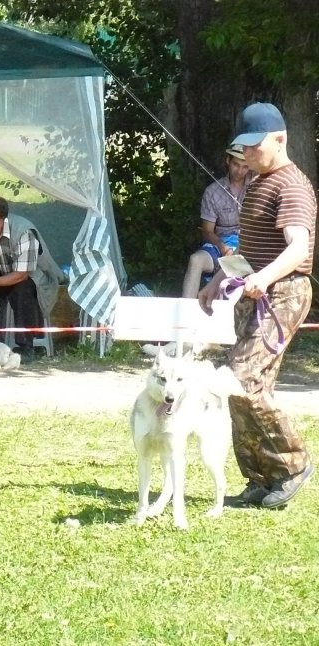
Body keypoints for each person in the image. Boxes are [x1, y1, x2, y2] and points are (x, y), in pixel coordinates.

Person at [199, 102, 316, 509]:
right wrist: (217, 278)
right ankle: (261, 479)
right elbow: (248, 248)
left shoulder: (291, 185)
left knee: (238, 379)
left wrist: (264, 279)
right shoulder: (258, 184)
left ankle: (294, 463)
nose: (246, 155)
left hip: (282, 293)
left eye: (253, 146)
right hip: (256, 293)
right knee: (242, 389)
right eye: (241, 148)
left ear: (280, 139)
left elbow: (298, 246)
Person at [0, 192, 62, 361]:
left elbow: (22, 274)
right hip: (1, 277)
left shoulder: (23, 231)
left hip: (36, 281)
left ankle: (26, 347)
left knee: (21, 289)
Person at [181, 145, 251, 297]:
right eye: (236, 164)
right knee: (195, 260)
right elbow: (207, 230)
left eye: (245, 167)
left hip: (249, 246)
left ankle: (222, 309)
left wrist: (238, 249)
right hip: (221, 244)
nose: (240, 171)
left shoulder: (256, 187)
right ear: (228, 161)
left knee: (234, 269)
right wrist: (222, 246)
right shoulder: (212, 191)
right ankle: (186, 315)